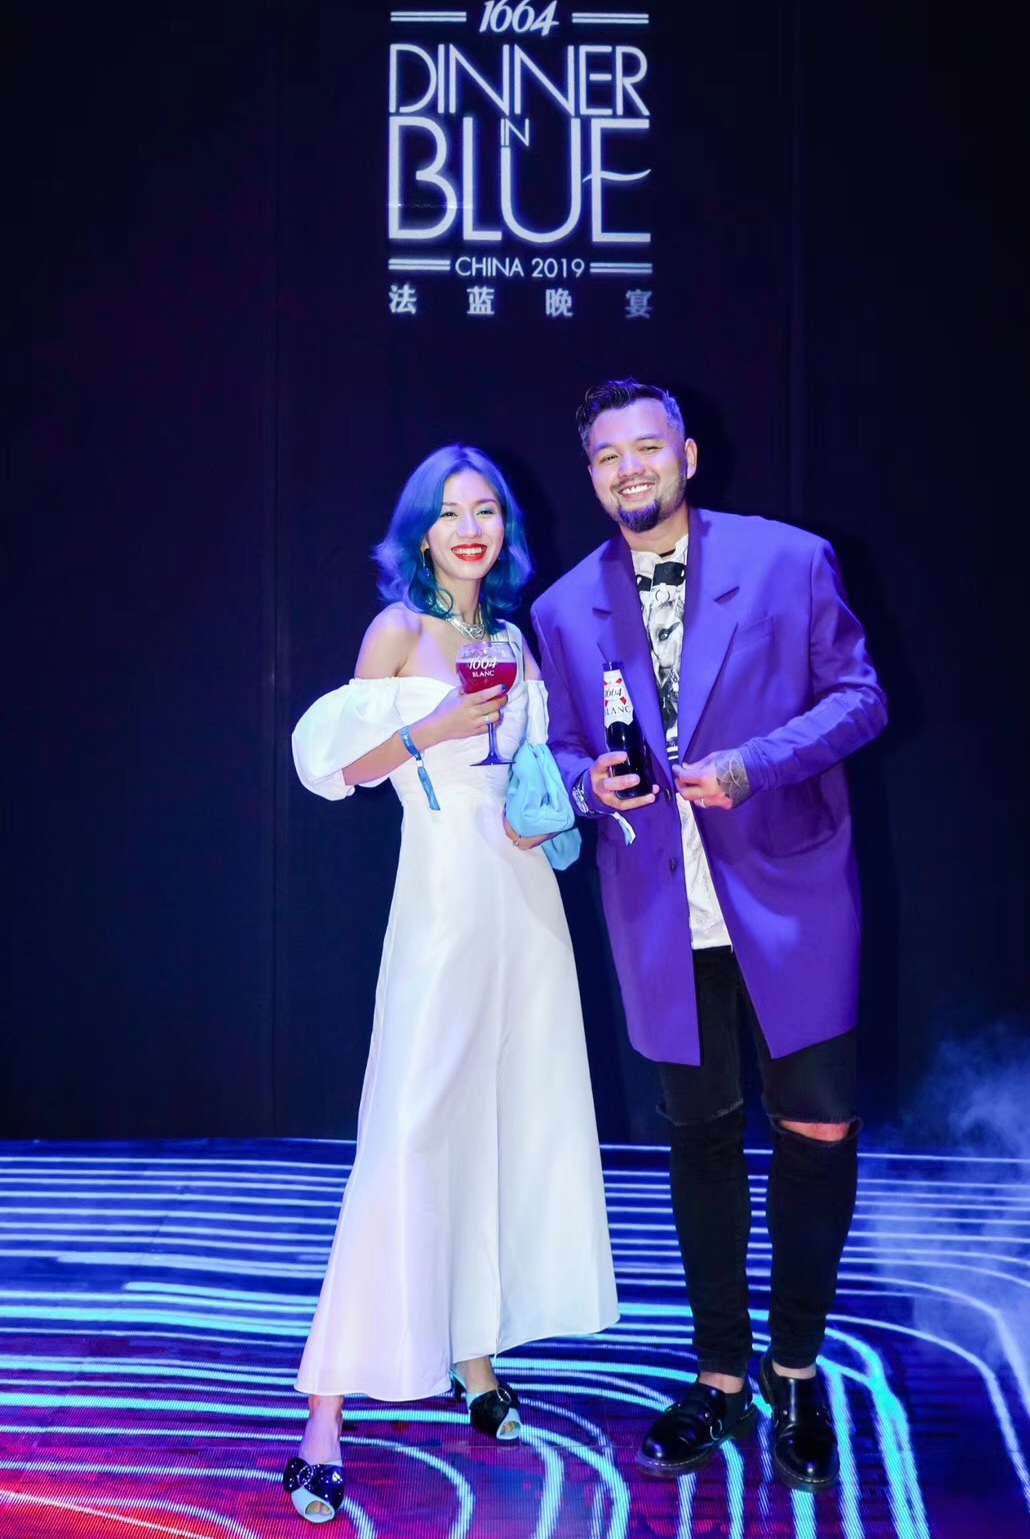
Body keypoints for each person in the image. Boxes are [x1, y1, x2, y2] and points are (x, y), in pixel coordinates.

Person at [531, 380, 887, 1492]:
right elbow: (564, 753)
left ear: (686, 453)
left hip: (792, 890)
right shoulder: (560, 608)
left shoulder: (790, 559)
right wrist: (587, 784)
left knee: (817, 1127)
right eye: (607, 456)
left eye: (646, 447)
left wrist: (753, 764)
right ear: (592, 475)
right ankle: (723, 1375)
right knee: (699, 1138)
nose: (628, 468)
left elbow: (861, 697)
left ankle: (796, 1368)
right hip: (659, 903)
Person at [286, 445, 618, 1524]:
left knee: (504, 1124)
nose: (471, 529)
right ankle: (323, 1418)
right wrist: (429, 726)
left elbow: (527, 782)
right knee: (409, 1133)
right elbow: (338, 768)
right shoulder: (398, 631)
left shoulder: (512, 641)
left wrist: (576, 799)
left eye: (487, 511)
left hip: (524, 905)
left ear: (504, 529)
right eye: (450, 513)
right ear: (421, 532)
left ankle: (473, 1358)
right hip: (439, 907)